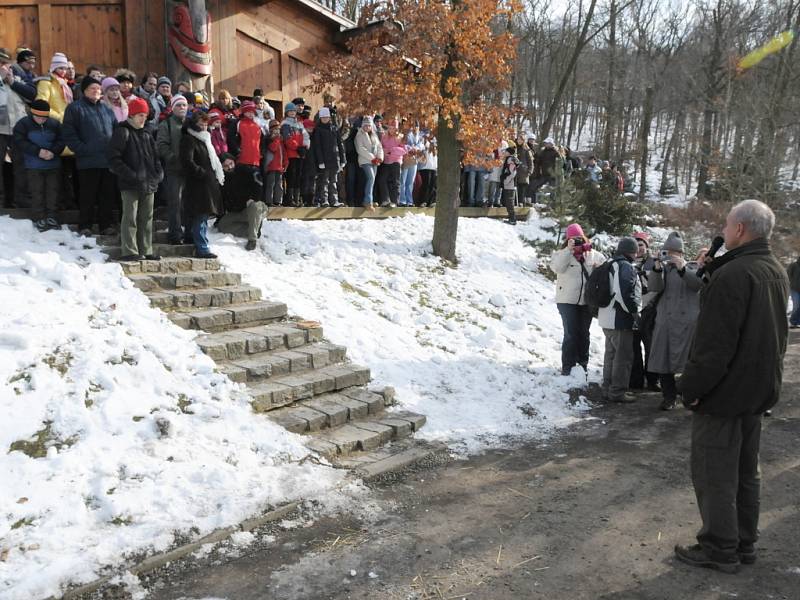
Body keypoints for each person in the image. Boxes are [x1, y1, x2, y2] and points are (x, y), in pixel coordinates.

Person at [674, 200, 789, 574]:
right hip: (756, 391)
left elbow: (713, 347)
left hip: (723, 394)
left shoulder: (735, 275)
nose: (722, 231)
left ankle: (720, 547)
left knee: (715, 473)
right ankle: (743, 542)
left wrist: (689, 389)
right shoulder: (774, 269)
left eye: (726, 226)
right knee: (744, 471)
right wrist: (713, 270)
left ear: (740, 229)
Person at [646, 232, 702, 410]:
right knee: (663, 361)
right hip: (665, 323)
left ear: (681, 253)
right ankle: (669, 396)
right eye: (666, 251)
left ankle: (689, 394)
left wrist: (682, 268)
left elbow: (697, 284)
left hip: (688, 325)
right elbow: (653, 288)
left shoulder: (692, 267)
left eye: (673, 252)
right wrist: (655, 268)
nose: (669, 255)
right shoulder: (662, 269)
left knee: (689, 363)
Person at [108, 97, 163, 261]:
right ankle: (129, 250)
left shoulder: (147, 133)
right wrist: (132, 175)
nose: (143, 118)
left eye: (145, 115)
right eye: (140, 115)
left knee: (147, 218)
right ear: (131, 115)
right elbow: (114, 160)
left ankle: (146, 249)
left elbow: (156, 158)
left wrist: (158, 174)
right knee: (130, 217)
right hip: (130, 184)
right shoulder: (122, 132)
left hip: (149, 183)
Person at [61, 76, 117, 236]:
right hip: (87, 161)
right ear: (84, 90)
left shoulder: (106, 109)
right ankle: (85, 225)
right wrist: (82, 149)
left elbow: (116, 130)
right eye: (92, 88)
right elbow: (69, 133)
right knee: (88, 195)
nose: (96, 91)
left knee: (107, 195)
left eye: (98, 89)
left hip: (107, 161)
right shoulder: (75, 108)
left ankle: (106, 225)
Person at [550, 223, 606, 375]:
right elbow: (557, 268)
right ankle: (568, 366)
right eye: (573, 239)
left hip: (586, 301)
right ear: (567, 240)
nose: (577, 241)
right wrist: (568, 250)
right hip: (566, 300)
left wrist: (597, 269)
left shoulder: (594, 254)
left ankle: (582, 364)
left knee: (584, 333)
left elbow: (604, 273)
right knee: (570, 333)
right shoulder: (561, 254)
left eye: (579, 238)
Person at [598, 237, 642, 403]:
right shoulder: (624, 266)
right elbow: (623, 292)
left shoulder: (609, 263)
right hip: (619, 319)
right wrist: (634, 312)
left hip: (605, 317)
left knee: (610, 355)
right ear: (632, 251)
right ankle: (617, 392)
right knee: (622, 357)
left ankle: (607, 389)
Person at [12, 99, 64, 230]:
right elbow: (19, 141)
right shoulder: (23, 124)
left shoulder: (54, 124)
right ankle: (39, 218)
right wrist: (37, 151)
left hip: (53, 164)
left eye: (44, 118)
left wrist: (54, 151)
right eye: (38, 117)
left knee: (53, 191)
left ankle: (52, 217)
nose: (41, 120)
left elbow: (62, 139)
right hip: (33, 165)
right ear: (32, 114)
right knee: (37, 192)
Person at [180, 110, 224, 259]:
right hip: (197, 184)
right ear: (194, 124)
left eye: (206, 124)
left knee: (202, 216)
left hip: (207, 184)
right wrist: (202, 173)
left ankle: (193, 240)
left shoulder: (206, 140)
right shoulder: (189, 139)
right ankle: (202, 248)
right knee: (200, 216)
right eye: (200, 124)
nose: (204, 127)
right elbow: (187, 161)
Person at [157, 94, 191, 244]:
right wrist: (173, 158)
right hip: (174, 170)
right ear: (172, 107)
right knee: (175, 203)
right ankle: (175, 234)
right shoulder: (167, 124)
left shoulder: (191, 124)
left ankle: (190, 233)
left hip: (190, 171)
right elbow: (161, 145)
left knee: (190, 203)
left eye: (184, 105)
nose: (182, 108)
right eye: (178, 105)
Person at [629, 231, 660, 392]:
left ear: (646, 246)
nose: (639, 248)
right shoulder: (629, 262)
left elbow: (658, 287)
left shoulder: (654, 262)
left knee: (651, 346)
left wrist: (643, 303)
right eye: (636, 245)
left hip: (650, 310)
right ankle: (636, 380)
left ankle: (653, 380)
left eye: (641, 245)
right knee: (633, 346)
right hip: (633, 311)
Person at [311, 106, 345, 207]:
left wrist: (343, 159)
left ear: (330, 117)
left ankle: (334, 200)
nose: (325, 119)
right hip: (324, 160)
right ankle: (324, 199)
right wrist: (320, 161)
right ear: (320, 118)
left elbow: (340, 144)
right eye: (323, 117)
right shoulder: (318, 130)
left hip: (335, 159)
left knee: (333, 181)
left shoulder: (334, 128)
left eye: (327, 117)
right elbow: (317, 147)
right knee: (324, 181)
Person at [280, 101, 306, 207]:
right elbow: (287, 139)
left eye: (293, 111)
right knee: (291, 176)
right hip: (291, 154)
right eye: (290, 111)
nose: (292, 113)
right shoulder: (285, 124)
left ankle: (297, 198)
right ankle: (289, 198)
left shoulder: (299, 124)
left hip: (299, 154)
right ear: (286, 113)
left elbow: (304, 136)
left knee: (298, 176)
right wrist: (297, 147)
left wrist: (304, 146)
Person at [355, 116, 383, 211]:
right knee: (371, 178)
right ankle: (368, 201)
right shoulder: (359, 135)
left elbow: (379, 147)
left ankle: (370, 199)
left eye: (369, 125)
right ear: (362, 125)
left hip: (375, 161)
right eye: (365, 125)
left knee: (372, 180)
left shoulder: (374, 135)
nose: (367, 127)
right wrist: (372, 158)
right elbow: (361, 149)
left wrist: (380, 157)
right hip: (365, 161)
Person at [35, 53, 73, 122]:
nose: (64, 71)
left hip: (65, 122)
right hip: (52, 122)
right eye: (61, 68)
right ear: (54, 68)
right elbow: (41, 105)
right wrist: (59, 117)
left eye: (65, 68)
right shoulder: (45, 83)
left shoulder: (64, 84)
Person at [263, 119, 287, 207]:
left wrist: (285, 162)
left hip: (279, 167)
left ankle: (278, 201)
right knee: (271, 184)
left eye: (278, 129)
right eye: (275, 129)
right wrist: (276, 139)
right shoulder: (269, 139)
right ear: (271, 130)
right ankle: (269, 201)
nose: (277, 131)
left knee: (279, 185)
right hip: (271, 167)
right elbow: (273, 148)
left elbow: (283, 152)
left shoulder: (280, 140)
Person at [400, 122, 424, 206]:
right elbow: (403, 144)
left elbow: (421, 145)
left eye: (417, 126)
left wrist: (416, 148)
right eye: (414, 125)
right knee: (403, 180)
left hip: (414, 161)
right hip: (406, 159)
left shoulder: (420, 135)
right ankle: (402, 200)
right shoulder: (406, 133)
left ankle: (409, 201)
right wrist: (411, 148)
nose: (415, 127)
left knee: (410, 182)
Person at [500, 145, 519, 224]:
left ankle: (512, 219)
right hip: (509, 183)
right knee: (508, 201)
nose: (505, 152)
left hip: (509, 184)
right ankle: (511, 218)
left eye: (506, 151)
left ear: (509, 153)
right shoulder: (509, 159)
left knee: (509, 202)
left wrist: (505, 181)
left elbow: (512, 173)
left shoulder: (510, 159)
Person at [515, 134, 534, 207]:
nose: (519, 141)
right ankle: (515, 203)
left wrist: (530, 171)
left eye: (521, 140)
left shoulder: (526, 149)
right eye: (518, 139)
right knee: (515, 188)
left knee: (522, 189)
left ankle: (521, 203)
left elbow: (530, 161)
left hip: (524, 172)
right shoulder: (515, 148)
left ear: (523, 141)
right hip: (515, 172)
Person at [418, 138, 437, 207]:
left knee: (432, 184)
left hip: (433, 166)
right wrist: (426, 147)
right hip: (424, 166)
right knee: (426, 183)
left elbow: (435, 154)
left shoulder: (435, 139)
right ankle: (423, 201)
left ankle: (431, 201)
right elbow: (420, 148)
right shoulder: (423, 138)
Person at [787, 256, 800, 329]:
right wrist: (791, 284)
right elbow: (788, 275)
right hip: (794, 289)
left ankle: (797, 322)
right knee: (796, 305)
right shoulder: (793, 265)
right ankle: (793, 322)